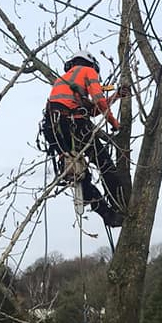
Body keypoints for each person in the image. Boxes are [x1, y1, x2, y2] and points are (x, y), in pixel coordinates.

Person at [43, 50, 126, 227]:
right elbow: (99, 100)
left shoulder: (63, 81)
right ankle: (121, 204)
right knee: (104, 163)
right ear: (91, 65)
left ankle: (107, 214)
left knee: (78, 175)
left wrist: (115, 96)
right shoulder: (88, 72)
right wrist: (114, 122)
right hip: (74, 126)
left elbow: (92, 110)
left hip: (53, 129)